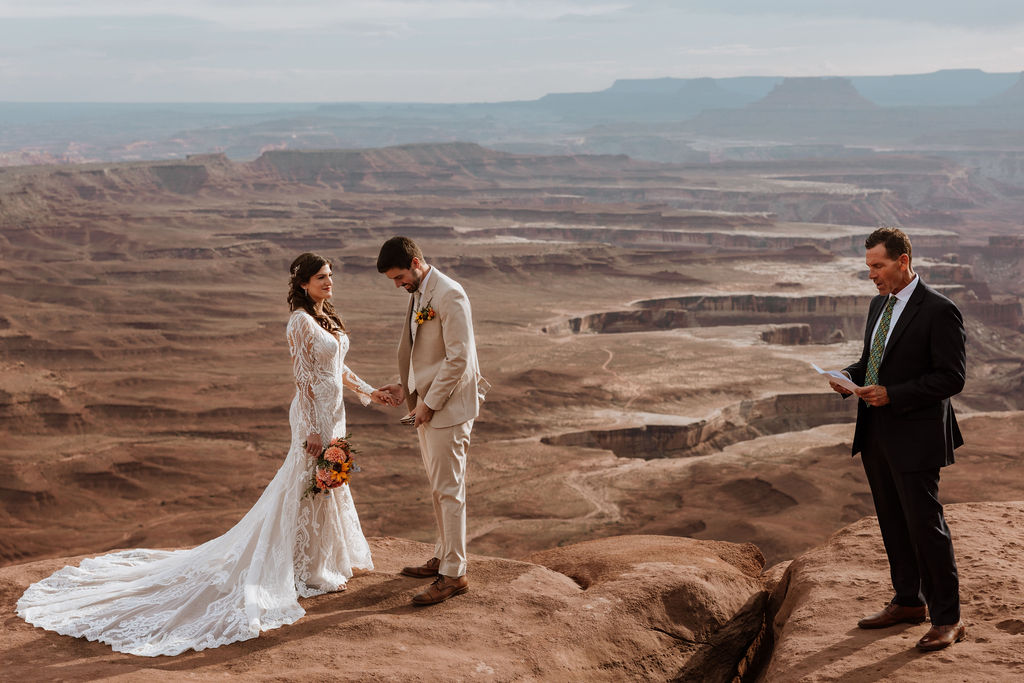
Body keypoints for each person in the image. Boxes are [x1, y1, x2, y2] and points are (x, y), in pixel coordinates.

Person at [17, 252, 395, 656]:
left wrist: (370, 392)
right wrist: (315, 429)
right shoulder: (300, 321)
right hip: (313, 417)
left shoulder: (326, 317)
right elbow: (302, 379)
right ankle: (305, 567)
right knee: (306, 482)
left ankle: (320, 561)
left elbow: (338, 366)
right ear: (303, 283)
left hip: (334, 412)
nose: (329, 281)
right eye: (321, 277)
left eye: (330, 275)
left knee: (326, 484)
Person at [829, 227, 966, 652]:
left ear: (902, 261)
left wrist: (894, 394)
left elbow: (951, 377)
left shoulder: (939, 310)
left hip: (916, 435)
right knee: (892, 521)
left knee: (925, 527)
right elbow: (874, 360)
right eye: (868, 266)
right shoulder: (878, 305)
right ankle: (909, 601)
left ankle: (948, 618)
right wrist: (849, 376)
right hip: (876, 432)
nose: (871, 274)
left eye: (878, 266)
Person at [376, 236, 488, 606]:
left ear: (416, 262)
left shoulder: (449, 294)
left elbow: (458, 358)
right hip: (427, 405)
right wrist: (407, 386)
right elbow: (428, 355)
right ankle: (443, 555)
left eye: (398, 276)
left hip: (447, 410)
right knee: (439, 489)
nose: (397, 285)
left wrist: (429, 403)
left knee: (450, 491)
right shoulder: (421, 292)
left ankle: (454, 575)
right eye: (392, 280)